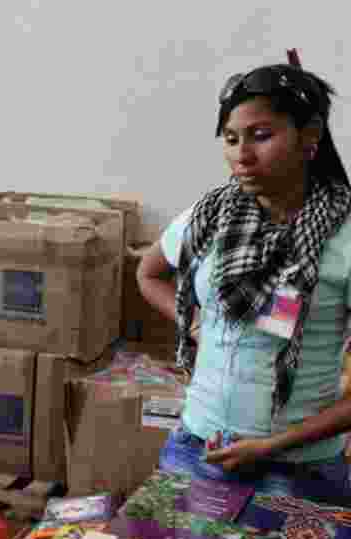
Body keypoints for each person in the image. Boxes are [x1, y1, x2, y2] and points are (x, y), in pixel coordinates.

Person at [137, 63, 351, 504]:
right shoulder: (210, 215)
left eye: (260, 136)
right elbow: (148, 273)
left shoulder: (345, 238)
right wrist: (196, 325)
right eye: (232, 139)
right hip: (196, 448)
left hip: (296, 469)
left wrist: (273, 445)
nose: (241, 155)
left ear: (310, 136)